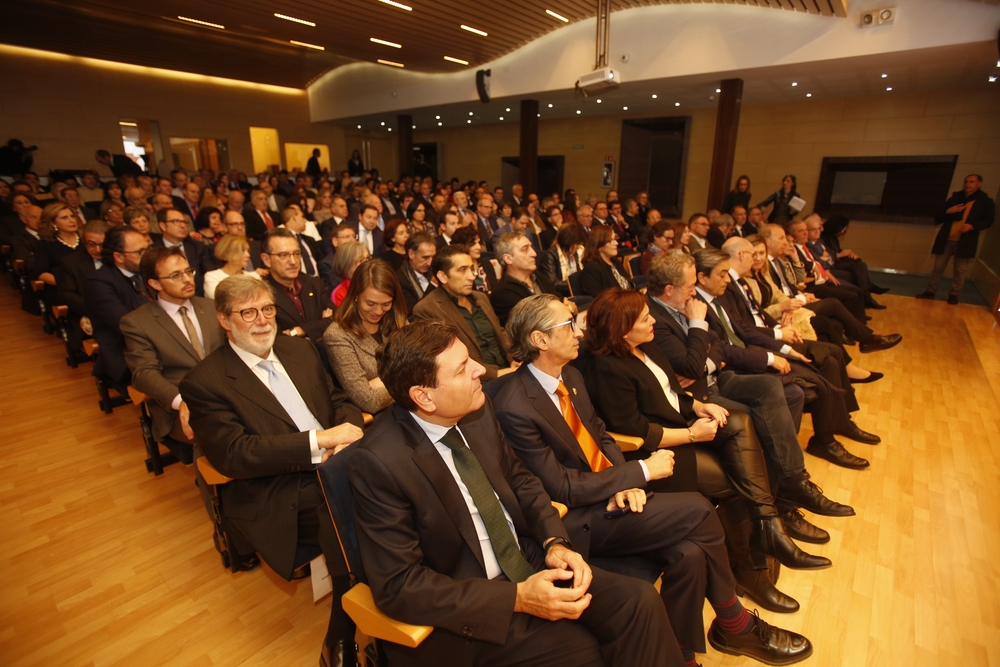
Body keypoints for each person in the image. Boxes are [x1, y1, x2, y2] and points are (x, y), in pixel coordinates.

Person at [349, 320, 688, 667]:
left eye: (472, 360)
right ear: (423, 396)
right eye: (464, 369)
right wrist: (517, 598)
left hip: (527, 561)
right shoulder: (378, 463)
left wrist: (554, 543)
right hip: (469, 605)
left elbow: (522, 482)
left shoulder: (477, 411)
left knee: (638, 602)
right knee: (586, 653)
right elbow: (400, 586)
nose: (481, 370)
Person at [494, 295, 817, 656]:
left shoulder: (568, 374)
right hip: (571, 522)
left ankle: (682, 655)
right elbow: (562, 486)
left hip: (607, 495)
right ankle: (734, 623)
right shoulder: (514, 405)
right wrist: (641, 471)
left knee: (691, 555)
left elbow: (600, 434)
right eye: (568, 325)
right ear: (540, 340)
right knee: (698, 509)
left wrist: (625, 481)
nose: (577, 331)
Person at [179, 275, 365, 667]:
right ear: (225, 320)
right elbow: (234, 454)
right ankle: (341, 634)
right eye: (248, 313)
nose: (263, 320)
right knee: (356, 522)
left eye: (267, 309)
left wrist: (347, 435)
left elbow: (340, 400)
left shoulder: (300, 350)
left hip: (343, 459)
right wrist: (319, 442)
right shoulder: (205, 382)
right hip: (280, 487)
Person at [581, 287, 831, 565]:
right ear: (623, 330)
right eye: (644, 319)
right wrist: (691, 434)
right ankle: (752, 563)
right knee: (733, 481)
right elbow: (638, 431)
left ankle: (769, 526)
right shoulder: (607, 368)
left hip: (680, 422)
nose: (653, 321)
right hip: (657, 449)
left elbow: (672, 392)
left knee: (741, 422)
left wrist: (700, 406)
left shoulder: (645, 345)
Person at [122, 247, 225, 444]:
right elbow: (144, 373)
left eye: (188, 271)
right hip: (179, 403)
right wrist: (180, 400)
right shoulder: (137, 322)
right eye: (176, 275)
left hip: (224, 393)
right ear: (154, 283)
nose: (187, 279)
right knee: (216, 430)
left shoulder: (211, 307)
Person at [412, 244, 515, 380]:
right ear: (443, 276)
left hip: (509, 370)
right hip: (474, 380)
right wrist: (498, 373)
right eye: (462, 270)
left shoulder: (481, 298)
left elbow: (499, 332)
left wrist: (513, 358)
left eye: (472, 269)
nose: (472, 277)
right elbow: (446, 360)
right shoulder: (427, 309)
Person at [322, 260, 407, 414]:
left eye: (386, 304)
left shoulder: (396, 320)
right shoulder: (337, 335)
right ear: (355, 295)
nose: (378, 311)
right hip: (383, 419)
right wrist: (409, 376)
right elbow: (368, 401)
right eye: (370, 303)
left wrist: (379, 382)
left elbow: (425, 363)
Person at [83, 227, 152, 392]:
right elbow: (127, 324)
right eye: (140, 252)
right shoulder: (98, 282)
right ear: (119, 257)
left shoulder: (150, 271)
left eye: (148, 248)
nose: (147, 256)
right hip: (128, 351)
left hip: (161, 339)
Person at [917, 174, 995, 304]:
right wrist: (949, 211)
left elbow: (988, 220)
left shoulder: (984, 201)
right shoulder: (955, 197)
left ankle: (954, 294)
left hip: (966, 240)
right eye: (966, 181)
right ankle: (931, 291)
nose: (968, 184)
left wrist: (973, 226)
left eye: (971, 182)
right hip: (947, 238)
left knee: (960, 270)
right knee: (938, 267)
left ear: (979, 184)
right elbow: (938, 216)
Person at [261, 228, 334, 344]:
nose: (293, 261)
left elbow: (336, 319)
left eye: (296, 254)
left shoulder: (313, 284)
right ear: (266, 260)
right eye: (284, 255)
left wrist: (300, 330)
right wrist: (321, 323)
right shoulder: (261, 294)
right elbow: (279, 338)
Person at [489, 231, 558, 327]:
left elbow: (560, 301)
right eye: (525, 249)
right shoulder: (502, 293)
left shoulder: (539, 277)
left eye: (531, 247)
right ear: (508, 259)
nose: (534, 253)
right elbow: (534, 323)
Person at [203, 234, 262, 299]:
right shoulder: (212, 277)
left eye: (248, 251)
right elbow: (221, 301)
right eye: (242, 250)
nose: (248, 255)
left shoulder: (254, 277)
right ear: (226, 254)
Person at [579, 225, 633, 297]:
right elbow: (598, 300)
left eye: (615, 239)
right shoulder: (591, 269)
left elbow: (629, 286)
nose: (616, 243)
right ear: (598, 246)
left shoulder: (616, 262)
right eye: (610, 241)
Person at [537, 222, 586, 298]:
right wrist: (575, 284)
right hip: (559, 296)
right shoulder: (550, 256)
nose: (578, 247)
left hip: (573, 293)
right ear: (567, 241)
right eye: (576, 244)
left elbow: (579, 275)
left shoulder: (574, 254)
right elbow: (553, 283)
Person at [396, 231, 437, 312]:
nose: (430, 263)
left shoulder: (433, 270)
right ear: (411, 254)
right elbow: (415, 312)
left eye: (433, 257)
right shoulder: (400, 280)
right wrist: (433, 284)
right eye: (425, 257)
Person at [452, 224, 499, 294]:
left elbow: (495, 290)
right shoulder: (459, 270)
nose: (479, 247)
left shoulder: (486, 264)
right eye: (473, 244)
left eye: (479, 243)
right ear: (462, 246)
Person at [329, 241, 370, 307]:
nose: (367, 263)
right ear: (347, 263)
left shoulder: (374, 283)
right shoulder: (339, 293)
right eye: (361, 260)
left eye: (367, 258)